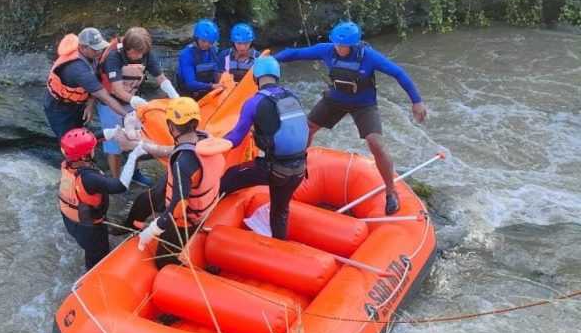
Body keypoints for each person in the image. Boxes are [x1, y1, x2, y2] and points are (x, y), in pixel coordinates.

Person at [274, 21, 427, 214]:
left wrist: (417, 101)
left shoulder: (369, 56)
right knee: (308, 128)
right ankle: (297, 167)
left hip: (364, 104)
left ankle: (391, 191)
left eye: (343, 45)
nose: (339, 48)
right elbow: (295, 54)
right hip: (335, 99)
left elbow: (398, 73)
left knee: (376, 142)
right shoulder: (327, 50)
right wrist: (270, 61)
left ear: (353, 44)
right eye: (336, 43)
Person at [134, 97, 231, 268]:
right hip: (205, 207)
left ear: (171, 126)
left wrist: (155, 228)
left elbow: (178, 207)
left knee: (163, 261)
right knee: (152, 195)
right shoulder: (206, 140)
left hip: (186, 220)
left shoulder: (183, 162)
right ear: (195, 122)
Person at [220, 56, 308, 240]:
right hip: (299, 170)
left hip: (274, 170)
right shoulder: (293, 96)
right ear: (277, 75)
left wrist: (213, 142)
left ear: (256, 78)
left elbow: (235, 138)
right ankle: (280, 246)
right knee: (279, 212)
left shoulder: (253, 102)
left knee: (229, 177)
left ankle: (206, 226)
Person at [96, 27, 179, 185]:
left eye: (143, 53)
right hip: (111, 102)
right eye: (137, 53)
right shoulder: (113, 57)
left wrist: (175, 97)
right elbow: (118, 90)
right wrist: (137, 102)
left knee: (137, 137)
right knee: (114, 143)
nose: (140, 57)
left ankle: (135, 172)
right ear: (129, 49)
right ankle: (116, 180)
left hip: (132, 100)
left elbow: (160, 77)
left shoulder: (145, 52)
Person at [58, 127, 145, 270]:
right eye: (92, 149)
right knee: (97, 257)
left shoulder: (70, 160)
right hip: (90, 230)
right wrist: (133, 157)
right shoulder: (89, 178)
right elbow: (120, 186)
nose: (94, 149)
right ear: (86, 156)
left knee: (90, 248)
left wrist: (116, 132)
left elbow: (93, 138)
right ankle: (92, 279)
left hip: (71, 220)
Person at [43, 27, 130, 139]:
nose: (99, 51)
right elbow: (105, 97)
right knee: (70, 140)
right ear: (82, 47)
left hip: (79, 104)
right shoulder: (78, 69)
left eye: (100, 47)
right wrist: (128, 115)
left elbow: (97, 77)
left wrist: (90, 103)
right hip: (60, 108)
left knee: (82, 134)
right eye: (95, 49)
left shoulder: (92, 55)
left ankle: (86, 152)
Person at [176, 19, 222, 100]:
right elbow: (190, 84)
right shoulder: (187, 54)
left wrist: (221, 83)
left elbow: (217, 71)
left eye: (210, 42)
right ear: (196, 38)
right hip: (188, 95)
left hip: (207, 92)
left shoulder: (212, 50)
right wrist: (212, 86)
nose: (206, 44)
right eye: (203, 41)